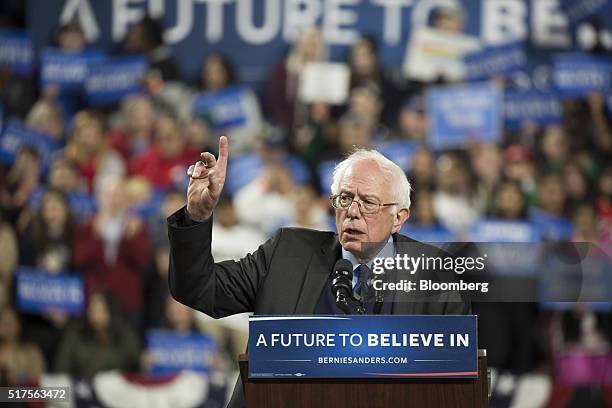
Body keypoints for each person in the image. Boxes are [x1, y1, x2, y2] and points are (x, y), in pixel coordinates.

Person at [168, 137, 470, 407]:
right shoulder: (286, 253)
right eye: (345, 198)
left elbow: (457, 382)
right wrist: (197, 217)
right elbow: (199, 288)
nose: (352, 211)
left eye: (368, 202)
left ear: (398, 218)